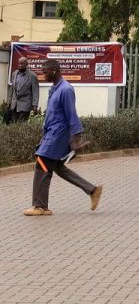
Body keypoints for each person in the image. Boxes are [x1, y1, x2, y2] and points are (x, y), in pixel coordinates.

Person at [23, 60, 103, 217]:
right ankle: (92, 190)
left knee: (42, 165)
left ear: (54, 71)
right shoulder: (55, 88)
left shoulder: (66, 89)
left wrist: (75, 139)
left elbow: (72, 115)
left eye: (45, 72)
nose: (43, 75)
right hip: (51, 134)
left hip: (57, 136)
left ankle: (40, 206)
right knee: (58, 167)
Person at [7, 57, 40, 123]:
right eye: (19, 63)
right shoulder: (14, 74)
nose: (20, 65)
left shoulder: (32, 76)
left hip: (25, 105)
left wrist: (35, 105)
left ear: (26, 64)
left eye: (22, 64)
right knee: (13, 125)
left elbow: (35, 91)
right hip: (14, 105)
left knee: (21, 125)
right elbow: (12, 89)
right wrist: (9, 102)